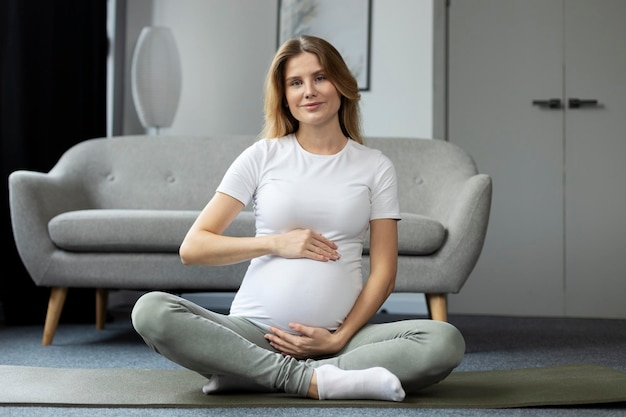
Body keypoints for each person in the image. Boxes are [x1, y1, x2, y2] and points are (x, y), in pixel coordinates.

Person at [131, 35, 465, 402]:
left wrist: (338, 337)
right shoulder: (262, 156)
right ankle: (311, 381)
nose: (309, 91)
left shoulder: (375, 166)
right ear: (284, 95)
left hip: (341, 340)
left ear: (341, 84)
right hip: (252, 333)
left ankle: (248, 373)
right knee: (152, 311)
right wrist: (276, 242)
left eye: (320, 77)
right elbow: (193, 247)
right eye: (296, 82)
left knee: (444, 341)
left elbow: (384, 273)